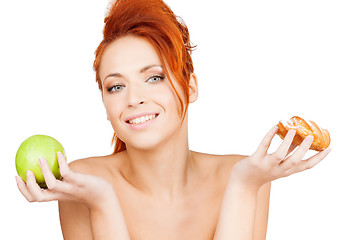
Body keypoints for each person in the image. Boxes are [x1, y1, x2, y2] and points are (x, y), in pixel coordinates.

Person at [15, 0, 331, 239]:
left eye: (153, 78)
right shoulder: (81, 182)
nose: (133, 98)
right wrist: (102, 202)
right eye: (116, 86)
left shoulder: (247, 175)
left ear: (190, 87)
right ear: (105, 104)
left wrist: (244, 185)